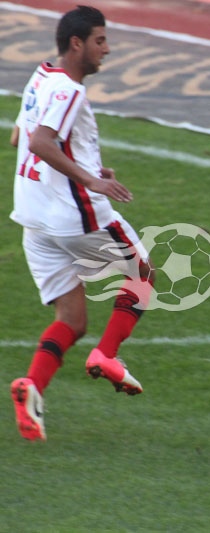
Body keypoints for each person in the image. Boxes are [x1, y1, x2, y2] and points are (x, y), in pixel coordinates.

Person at [9, 5, 153, 441]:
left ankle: (32, 387)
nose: (106, 50)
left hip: (34, 221)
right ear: (77, 44)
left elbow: (19, 137)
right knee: (144, 274)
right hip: (74, 216)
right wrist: (91, 179)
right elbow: (39, 141)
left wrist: (91, 163)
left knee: (72, 320)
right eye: (100, 41)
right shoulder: (70, 89)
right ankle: (106, 356)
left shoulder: (41, 78)